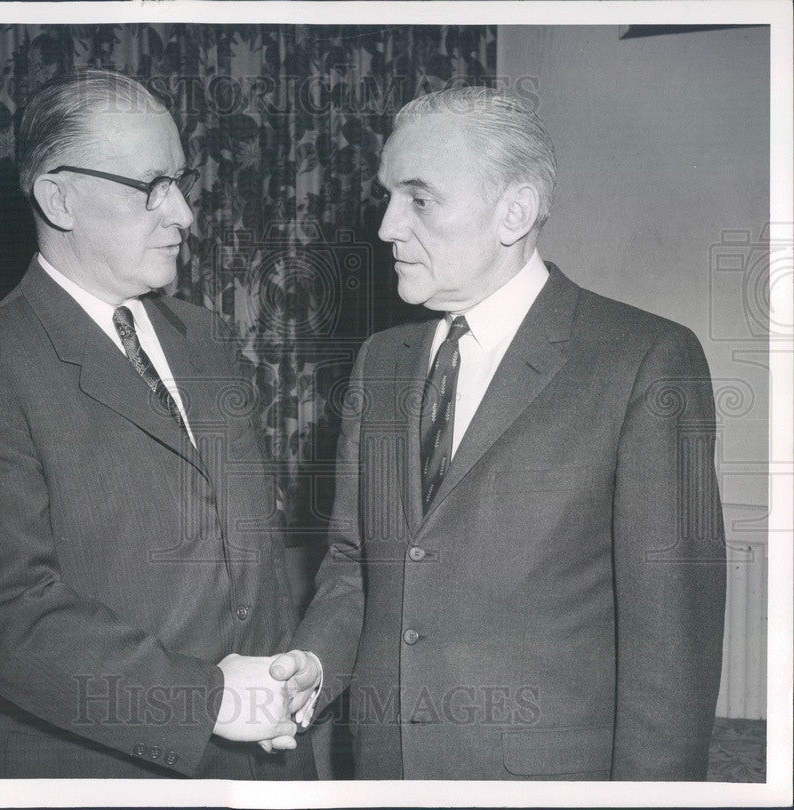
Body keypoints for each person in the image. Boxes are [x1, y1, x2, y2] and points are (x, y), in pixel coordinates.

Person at [268, 86, 726, 780]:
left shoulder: (642, 361)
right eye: (388, 196)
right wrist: (312, 665)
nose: (388, 225)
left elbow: (671, 652)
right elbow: (353, 570)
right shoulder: (381, 363)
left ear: (512, 212)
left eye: (418, 198)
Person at [0, 69, 314, 780]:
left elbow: (254, 543)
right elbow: (12, 618)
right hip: (100, 771)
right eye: (150, 186)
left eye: (182, 181)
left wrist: (292, 674)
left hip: (264, 762)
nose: (185, 212)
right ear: (58, 198)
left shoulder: (207, 337)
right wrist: (212, 701)